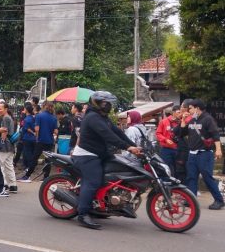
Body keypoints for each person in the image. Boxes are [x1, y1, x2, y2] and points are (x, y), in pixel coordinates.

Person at [71, 91, 141, 229]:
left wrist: (133, 146)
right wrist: (128, 147)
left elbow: (117, 132)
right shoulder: (92, 118)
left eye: (109, 103)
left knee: (114, 174)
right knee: (93, 181)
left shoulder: (103, 117)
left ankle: (101, 205)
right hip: (87, 155)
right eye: (106, 103)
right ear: (97, 103)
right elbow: (109, 136)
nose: (108, 105)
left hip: (100, 153)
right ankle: (83, 214)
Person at [174, 99, 224, 210]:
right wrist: (183, 120)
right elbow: (182, 133)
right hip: (192, 154)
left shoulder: (208, 119)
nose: (189, 110)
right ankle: (191, 199)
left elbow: (215, 135)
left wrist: (218, 149)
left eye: (190, 108)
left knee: (207, 178)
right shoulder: (192, 120)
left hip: (204, 154)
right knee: (191, 177)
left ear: (197, 108)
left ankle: (219, 200)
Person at [19, 101, 58, 182]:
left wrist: (37, 138)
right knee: (48, 160)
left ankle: (27, 176)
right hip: (49, 141)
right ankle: (46, 177)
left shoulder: (39, 116)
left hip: (40, 140)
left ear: (44, 106)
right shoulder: (54, 117)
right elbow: (56, 131)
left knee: (34, 158)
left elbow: (37, 129)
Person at [0, 101, 17, 194]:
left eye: (0, 108)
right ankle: (13, 185)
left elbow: (4, 132)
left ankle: (4, 184)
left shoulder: (5, 118)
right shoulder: (9, 118)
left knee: (0, 165)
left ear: (6, 109)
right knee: (9, 165)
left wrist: (1, 142)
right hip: (11, 145)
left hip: (4, 146)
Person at [156, 105, 181, 174]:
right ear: (173, 112)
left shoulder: (182, 122)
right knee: (167, 168)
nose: (180, 114)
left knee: (179, 169)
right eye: (178, 112)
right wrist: (165, 139)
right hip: (166, 149)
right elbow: (158, 133)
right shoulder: (164, 121)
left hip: (179, 149)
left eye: (181, 112)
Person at [19, 102, 37, 179]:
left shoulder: (26, 119)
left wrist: (32, 132)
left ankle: (29, 168)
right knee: (32, 153)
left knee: (27, 154)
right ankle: (31, 167)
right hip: (33, 139)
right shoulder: (34, 118)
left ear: (26, 110)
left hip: (27, 138)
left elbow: (27, 128)